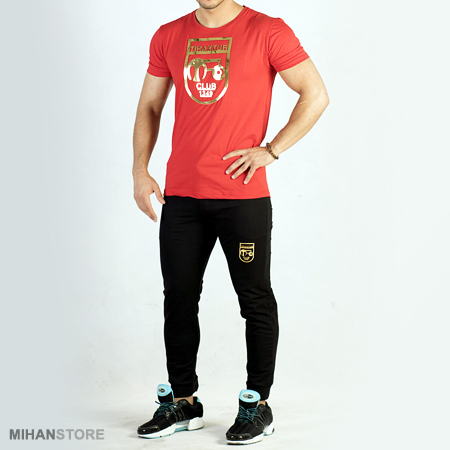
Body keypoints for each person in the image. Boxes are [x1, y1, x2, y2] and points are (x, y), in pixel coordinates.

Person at [132, 0, 329, 445]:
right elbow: (150, 105)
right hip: (182, 197)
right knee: (178, 299)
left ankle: (258, 404)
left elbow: (316, 94)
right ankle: (183, 402)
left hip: (242, 198)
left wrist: (272, 149)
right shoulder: (169, 35)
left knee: (254, 300)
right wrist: (140, 170)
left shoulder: (267, 31)